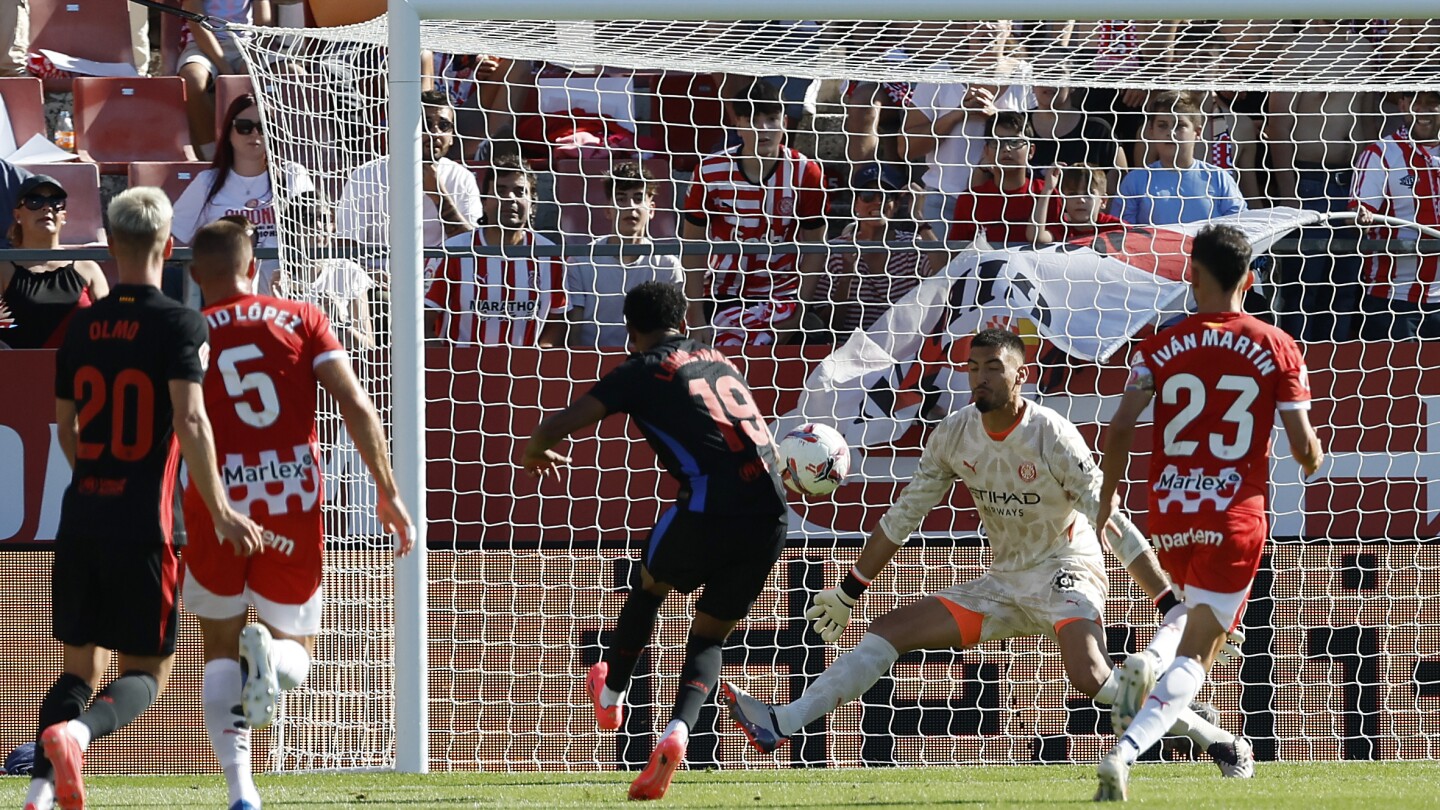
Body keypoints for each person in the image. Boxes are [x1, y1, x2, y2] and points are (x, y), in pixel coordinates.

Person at [723, 329, 1243, 778]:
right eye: (973, 368)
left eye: (994, 368)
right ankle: (781, 722)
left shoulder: (1052, 435)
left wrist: (1167, 602)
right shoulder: (954, 435)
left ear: (1022, 375)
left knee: (1091, 679)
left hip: (1067, 568)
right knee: (887, 632)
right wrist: (848, 589)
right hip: (1004, 579)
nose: (980, 378)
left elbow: (1111, 520)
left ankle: (1217, 740)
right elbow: (904, 516)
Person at [27, 188, 264, 810]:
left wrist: (94, 480)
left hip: (81, 514)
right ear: (168, 244)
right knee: (144, 671)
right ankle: (75, 734)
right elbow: (191, 421)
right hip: (145, 523)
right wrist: (218, 509)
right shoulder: (180, 322)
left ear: (109, 243)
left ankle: (37, 795)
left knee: (80, 666)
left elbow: (64, 429)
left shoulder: (80, 325)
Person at [520, 281, 788, 801]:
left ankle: (612, 690)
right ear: (685, 321)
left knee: (647, 587)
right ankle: (677, 733)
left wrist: (535, 445)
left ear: (630, 331)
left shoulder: (639, 370)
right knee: (709, 636)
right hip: (772, 516)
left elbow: (564, 423)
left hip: (709, 509)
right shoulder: (720, 359)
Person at [181, 218, 414, 810]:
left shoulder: (185, 330)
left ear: (194, 276)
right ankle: (276, 664)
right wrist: (385, 489)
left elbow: (180, 425)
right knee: (298, 650)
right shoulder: (302, 318)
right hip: (290, 499)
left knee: (217, 650)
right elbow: (357, 403)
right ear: (253, 266)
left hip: (217, 503)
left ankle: (242, 792)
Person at [1094, 225, 1323, 801]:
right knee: (1202, 650)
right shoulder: (1276, 345)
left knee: (1185, 619)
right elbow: (1302, 449)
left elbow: (1121, 426)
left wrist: (1108, 498)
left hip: (1169, 514)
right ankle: (1123, 753)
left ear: (1190, 273)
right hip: (1234, 518)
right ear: (1249, 279)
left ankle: (1150, 658)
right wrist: (1314, 457)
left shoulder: (1158, 346)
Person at [680, 80, 827, 347]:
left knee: (818, 341)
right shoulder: (710, 171)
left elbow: (816, 247)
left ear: (785, 121)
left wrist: (799, 313)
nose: (764, 129)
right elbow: (693, 247)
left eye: (771, 119)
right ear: (737, 123)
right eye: (753, 120)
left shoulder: (807, 172)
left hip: (784, 295)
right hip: (722, 294)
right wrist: (697, 316)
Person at [172, 94, 315, 297]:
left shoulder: (293, 175)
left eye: (264, 127)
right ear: (228, 132)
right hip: (227, 295)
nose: (254, 134)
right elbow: (175, 239)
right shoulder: (207, 183)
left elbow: (313, 232)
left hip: (287, 293)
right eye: (244, 126)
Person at [336, 88, 483, 287]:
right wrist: (370, 274)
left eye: (444, 126)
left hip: (443, 282)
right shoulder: (366, 176)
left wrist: (439, 195)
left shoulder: (462, 177)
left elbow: (471, 245)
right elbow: (346, 247)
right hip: (378, 285)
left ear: (452, 136)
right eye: (426, 123)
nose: (434, 133)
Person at [901, 21, 1034, 235]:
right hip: (943, 201)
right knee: (940, 269)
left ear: (1009, 26)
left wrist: (994, 118)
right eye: (979, 19)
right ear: (966, 27)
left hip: (1005, 202)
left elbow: (1038, 144)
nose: (987, 26)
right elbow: (906, 148)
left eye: (994, 19)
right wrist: (958, 114)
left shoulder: (1026, 75)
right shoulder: (938, 74)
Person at [425, 153, 568, 347]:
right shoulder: (452, 252)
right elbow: (425, 320)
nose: (510, 198)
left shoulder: (550, 255)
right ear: (484, 202)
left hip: (524, 370)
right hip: (460, 370)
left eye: (520, 191)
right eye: (500, 190)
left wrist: (537, 359)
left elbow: (557, 321)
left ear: (532, 203)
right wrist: (443, 364)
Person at [1352, 89, 1440, 341]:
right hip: (1393, 300)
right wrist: (1360, 216)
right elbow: (1359, 212)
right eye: (1416, 102)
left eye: (1433, 103)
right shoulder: (1381, 153)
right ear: (1402, 104)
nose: (1423, 111)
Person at [814, 165, 942, 335]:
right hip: (848, 348)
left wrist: (918, 217)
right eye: (867, 195)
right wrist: (846, 277)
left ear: (895, 205)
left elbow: (945, 275)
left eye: (886, 196)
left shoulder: (912, 246)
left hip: (903, 349)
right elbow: (828, 326)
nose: (877, 202)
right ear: (855, 205)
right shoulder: (834, 251)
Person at [567, 162, 683, 349]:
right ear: (608, 210)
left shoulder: (667, 265)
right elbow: (574, 333)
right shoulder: (581, 261)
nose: (631, 206)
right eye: (621, 199)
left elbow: (674, 331)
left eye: (638, 198)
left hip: (649, 364)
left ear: (651, 210)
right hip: (591, 363)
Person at [0, 175, 109, 349]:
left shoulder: (88, 268)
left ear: (63, 216)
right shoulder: (3, 268)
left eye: (55, 202)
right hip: (19, 371)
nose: (46, 208)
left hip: (78, 372)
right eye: (34, 201)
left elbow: (109, 328)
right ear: (17, 215)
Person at [1114, 93, 1246, 227]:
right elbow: (1121, 234)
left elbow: (1240, 227)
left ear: (1197, 133)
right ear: (1151, 131)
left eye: (1180, 125)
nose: (1171, 133)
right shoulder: (1136, 181)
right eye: (1162, 125)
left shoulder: (1218, 178)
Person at [178, 0, 273, 158]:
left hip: (248, 46)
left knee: (293, 73)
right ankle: (212, 154)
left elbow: (264, 25)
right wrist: (225, 68)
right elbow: (197, 23)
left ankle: (288, 150)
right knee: (193, 78)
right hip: (204, 46)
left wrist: (251, 61)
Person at [947, 112, 1060, 245]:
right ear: (986, 151)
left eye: (1015, 142)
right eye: (997, 142)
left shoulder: (1047, 193)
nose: (1006, 148)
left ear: (1031, 151)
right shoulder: (969, 200)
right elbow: (956, 256)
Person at [1033, 163, 1125, 244]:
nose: (1080, 200)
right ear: (1064, 200)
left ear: (1103, 201)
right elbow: (1036, 236)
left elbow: (1136, 237)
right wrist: (1047, 188)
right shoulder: (1062, 228)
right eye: (1073, 194)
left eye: (1088, 193)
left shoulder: (1115, 227)